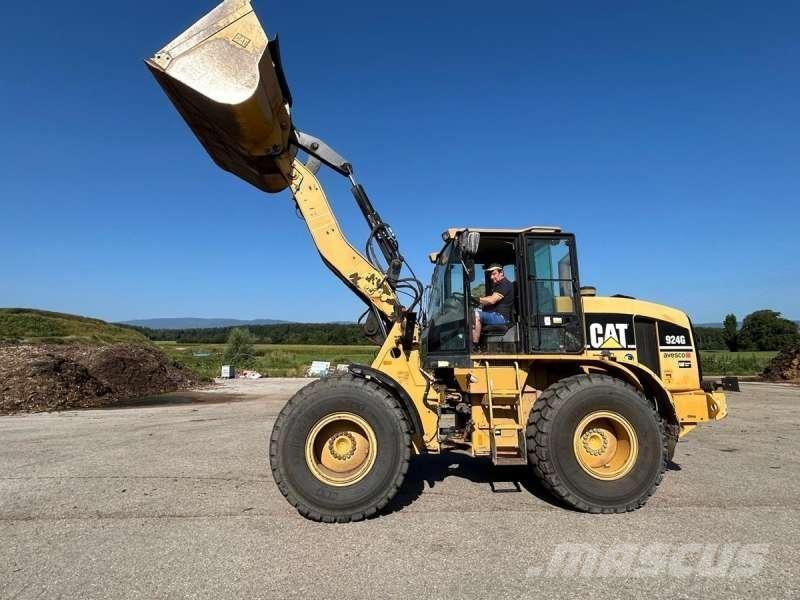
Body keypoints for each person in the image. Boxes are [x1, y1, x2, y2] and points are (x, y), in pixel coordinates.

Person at [472, 263, 514, 346]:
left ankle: (474, 346)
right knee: (472, 312)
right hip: (495, 315)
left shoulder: (504, 284)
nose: (491, 277)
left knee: (475, 315)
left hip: (501, 318)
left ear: (501, 272)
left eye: (494, 274)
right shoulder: (498, 285)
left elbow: (492, 300)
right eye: (491, 275)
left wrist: (475, 299)